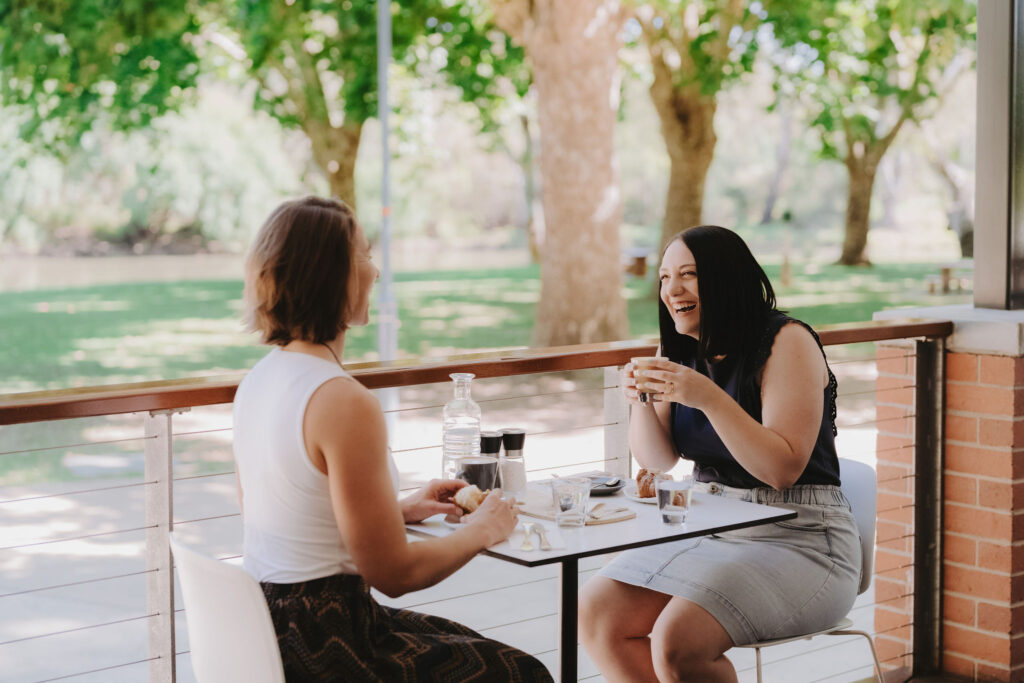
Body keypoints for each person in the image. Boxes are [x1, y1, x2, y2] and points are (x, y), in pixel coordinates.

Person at [233, 196, 552, 682]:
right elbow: (395, 575)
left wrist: (392, 512)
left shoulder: (258, 380)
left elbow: (285, 514)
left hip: (266, 628)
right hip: (328, 645)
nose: (375, 272)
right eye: (364, 255)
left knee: (483, 651)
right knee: (524, 674)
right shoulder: (343, 400)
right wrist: (482, 529)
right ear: (332, 275)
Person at [578, 226, 860, 682]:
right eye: (665, 278)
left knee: (678, 640)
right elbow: (658, 460)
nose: (673, 290)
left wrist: (707, 397)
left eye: (689, 275)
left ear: (726, 279)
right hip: (712, 524)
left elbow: (781, 470)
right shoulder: (680, 347)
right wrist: (640, 403)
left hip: (804, 538)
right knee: (596, 611)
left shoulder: (787, 342)